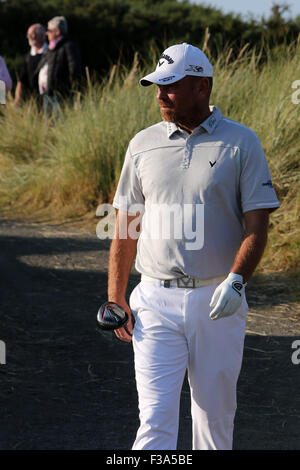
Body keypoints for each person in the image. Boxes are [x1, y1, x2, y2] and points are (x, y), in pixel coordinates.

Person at [107, 42, 280, 450]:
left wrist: (237, 281)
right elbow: (125, 226)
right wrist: (116, 296)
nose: (159, 95)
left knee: (214, 424)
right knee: (153, 423)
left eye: (170, 87)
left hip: (217, 302)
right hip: (153, 299)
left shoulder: (242, 143)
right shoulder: (141, 144)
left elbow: (257, 224)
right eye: (157, 86)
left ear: (202, 87)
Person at [36, 16, 82, 115]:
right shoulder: (50, 48)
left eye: (49, 30)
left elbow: (74, 69)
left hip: (60, 94)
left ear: (57, 31)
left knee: (59, 121)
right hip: (47, 93)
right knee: (48, 123)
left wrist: (69, 89)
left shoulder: (68, 46)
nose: (46, 33)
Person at [14, 24, 47, 106]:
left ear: (42, 35)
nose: (30, 37)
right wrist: (17, 98)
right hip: (31, 101)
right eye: (28, 35)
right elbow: (21, 80)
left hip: (48, 99)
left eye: (33, 34)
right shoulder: (28, 57)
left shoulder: (51, 53)